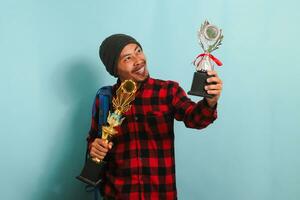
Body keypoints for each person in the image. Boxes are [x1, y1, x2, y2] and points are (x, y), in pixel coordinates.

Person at [86, 34, 223, 199]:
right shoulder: (105, 98)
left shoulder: (167, 91)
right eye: (128, 58)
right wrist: (94, 147)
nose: (139, 60)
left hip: (160, 194)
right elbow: (93, 141)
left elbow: (195, 119)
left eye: (138, 51)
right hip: (119, 194)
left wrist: (210, 101)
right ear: (114, 69)